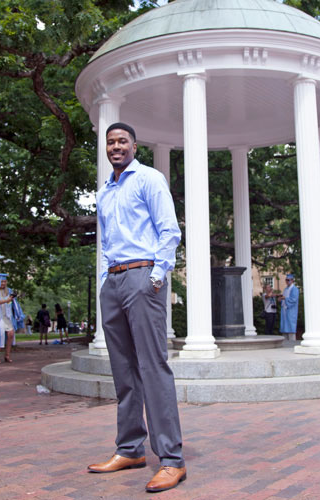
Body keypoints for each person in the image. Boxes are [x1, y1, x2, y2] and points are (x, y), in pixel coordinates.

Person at [87, 122, 185, 493]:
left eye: (122, 141)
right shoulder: (104, 193)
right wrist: (102, 283)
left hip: (143, 277)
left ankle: (172, 459)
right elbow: (106, 242)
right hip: (112, 281)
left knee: (152, 366)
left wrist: (157, 276)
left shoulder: (149, 179)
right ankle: (129, 448)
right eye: (111, 142)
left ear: (133, 145)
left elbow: (169, 231)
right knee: (124, 370)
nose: (116, 146)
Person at [0, 274, 24, 363]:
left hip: (7, 316)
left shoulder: (9, 291)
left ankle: (7, 355)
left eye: (5, 282)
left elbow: (14, 304)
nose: (3, 283)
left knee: (11, 335)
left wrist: (17, 314)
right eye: (2, 281)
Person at [279, 274, 299, 339]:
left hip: (290, 311)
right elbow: (284, 298)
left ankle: (292, 344)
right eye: (286, 280)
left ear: (292, 280)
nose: (287, 281)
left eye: (288, 280)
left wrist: (285, 299)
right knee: (284, 329)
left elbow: (294, 299)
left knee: (291, 329)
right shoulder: (285, 289)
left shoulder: (294, 289)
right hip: (284, 311)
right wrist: (281, 300)